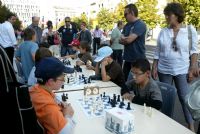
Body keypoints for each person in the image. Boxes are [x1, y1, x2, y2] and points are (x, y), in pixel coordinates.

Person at [152, 2, 199, 131]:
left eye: (168, 15)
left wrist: (192, 68)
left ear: (177, 15)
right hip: (164, 70)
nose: (166, 17)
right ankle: (165, 124)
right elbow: (157, 51)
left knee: (185, 98)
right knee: (165, 98)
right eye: (165, 15)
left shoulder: (190, 30)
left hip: (182, 70)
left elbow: (194, 51)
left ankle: (190, 126)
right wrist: (154, 66)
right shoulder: (163, 31)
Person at [30, 57, 76, 134]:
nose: (64, 81)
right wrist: (68, 115)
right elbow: (66, 132)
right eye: (62, 78)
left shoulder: (37, 88)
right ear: (51, 81)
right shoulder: (46, 105)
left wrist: (59, 104)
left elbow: (53, 98)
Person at [120, 4, 147, 81]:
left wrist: (124, 39)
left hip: (138, 59)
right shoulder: (126, 25)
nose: (124, 16)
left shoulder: (140, 24)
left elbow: (128, 40)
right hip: (128, 59)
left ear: (132, 13)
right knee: (124, 81)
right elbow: (120, 40)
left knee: (137, 82)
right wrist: (125, 39)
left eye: (126, 14)